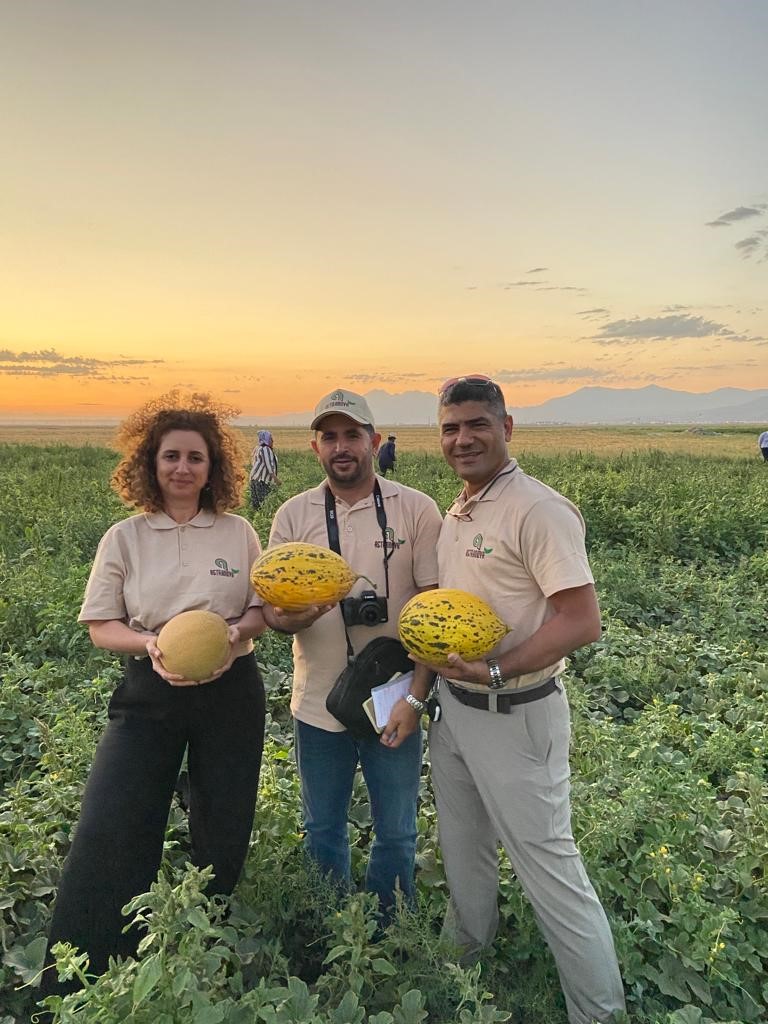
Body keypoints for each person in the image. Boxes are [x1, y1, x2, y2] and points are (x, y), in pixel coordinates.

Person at [383, 375, 625, 1024]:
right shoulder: (460, 509)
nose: (462, 439)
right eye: (450, 428)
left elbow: (581, 620)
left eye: (476, 425)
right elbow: (441, 623)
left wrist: (493, 672)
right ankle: (464, 965)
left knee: (551, 874)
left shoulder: (536, 509)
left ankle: (598, 1013)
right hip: (455, 715)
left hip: (516, 715)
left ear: (507, 427)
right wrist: (421, 694)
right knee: (463, 853)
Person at [41, 391, 267, 996]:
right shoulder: (125, 537)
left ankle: (204, 938)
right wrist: (152, 648)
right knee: (114, 818)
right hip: (150, 688)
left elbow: (259, 608)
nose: (183, 468)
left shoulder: (239, 532)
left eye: (196, 457)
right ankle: (78, 973)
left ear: (213, 467)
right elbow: (100, 626)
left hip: (231, 690)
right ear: (151, 463)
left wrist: (236, 633)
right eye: (171, 456)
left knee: (224, 820)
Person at [261, 388, 441, 913]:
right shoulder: (294, 517)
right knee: (322, 829)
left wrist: (416, 700)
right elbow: (273, 615)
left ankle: (388, 929)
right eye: (329, 437)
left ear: (375, 441)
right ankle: (331, 926)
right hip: (318, 703)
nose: (342, 446)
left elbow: (433, 612)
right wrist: (302, 612)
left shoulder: (416, 510)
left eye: (353, 435)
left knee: (398, 832)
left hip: (395, 701)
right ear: (314, 448)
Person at [249, 429, 280, 508]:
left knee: (256, 507)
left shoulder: (258, 448)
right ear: (266, 439)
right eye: (270, 438)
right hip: (262, 481)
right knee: (264, 505)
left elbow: (253, 463)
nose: (273, 441)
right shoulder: (266, 449)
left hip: (254, 479)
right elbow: (269, 467)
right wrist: (276, 480)